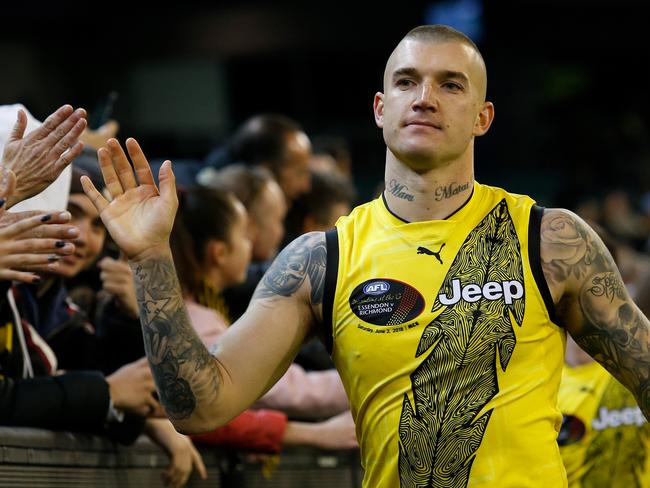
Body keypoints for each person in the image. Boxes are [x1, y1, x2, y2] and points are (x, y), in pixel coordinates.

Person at [82, 25, 650, 488]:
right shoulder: (321, 260)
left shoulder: (549, 240)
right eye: (407, 82)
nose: (424, 97)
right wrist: (152, 256)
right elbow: (198, 407)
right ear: (381, 108)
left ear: (483, 117)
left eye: (451, 85)